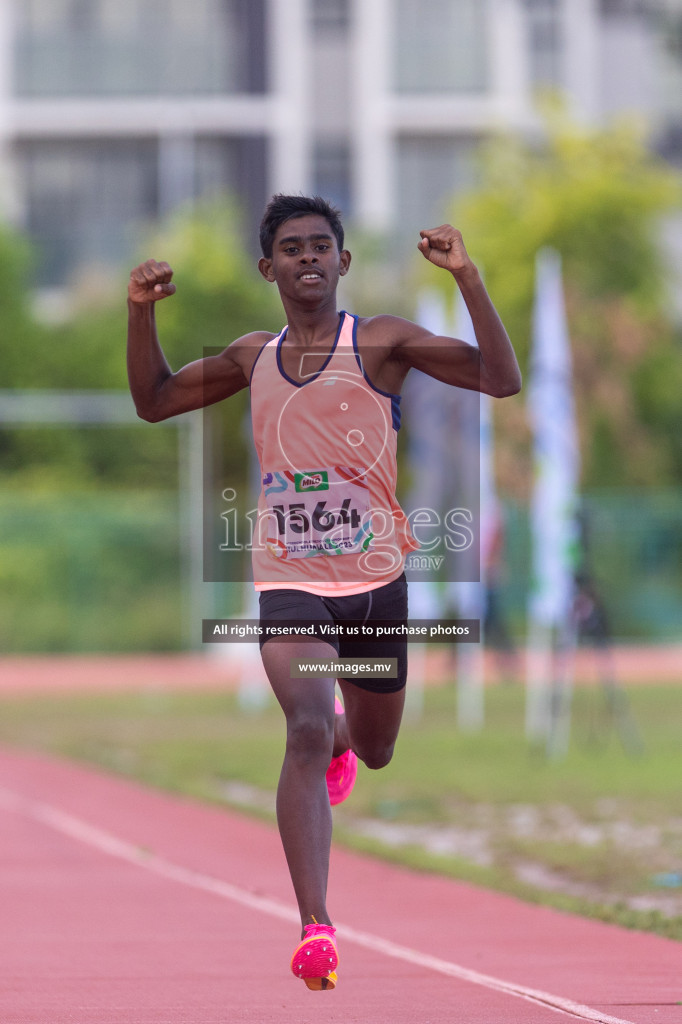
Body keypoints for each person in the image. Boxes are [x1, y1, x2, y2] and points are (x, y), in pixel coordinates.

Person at [127, 194, 521, 991]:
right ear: (267, 267)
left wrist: (469, 276)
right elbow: (154, 400)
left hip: (377, 582)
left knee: (372, 749)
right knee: (303, 726)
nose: (307, 259)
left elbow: (500, 379)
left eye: (320, 247)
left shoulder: (381, 342)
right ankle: (316, 927)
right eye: (291, 248)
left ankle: (346, 738)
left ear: (342, 262)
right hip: (289, 581)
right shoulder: (249, 356)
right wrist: (140, 312)